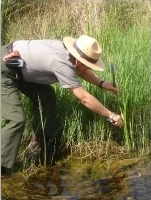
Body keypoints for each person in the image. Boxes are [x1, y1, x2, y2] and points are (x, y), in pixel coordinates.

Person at [1, 35, 123, 177]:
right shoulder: (61, 62)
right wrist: (111, 115)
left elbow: (79, 70)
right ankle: (2, 166)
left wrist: (103, 84)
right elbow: (84, 98)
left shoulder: (68, 53)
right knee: (17, 119)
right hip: (4, 69)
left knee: (46, 95)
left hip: (18, 66)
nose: (88, 68)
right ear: (78, 59)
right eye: (87, 65)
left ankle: (44, 140)